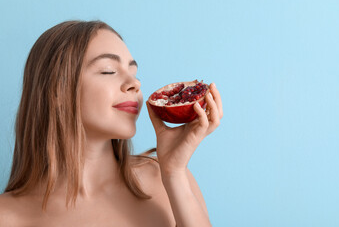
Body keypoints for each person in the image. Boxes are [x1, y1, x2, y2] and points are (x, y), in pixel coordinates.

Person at [0, 20, 223, 226]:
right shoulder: (7, 215)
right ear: (57, 91)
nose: (134, 83)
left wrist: (174, 173)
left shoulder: (165, 180)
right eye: (109, 70)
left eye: (134, 73)